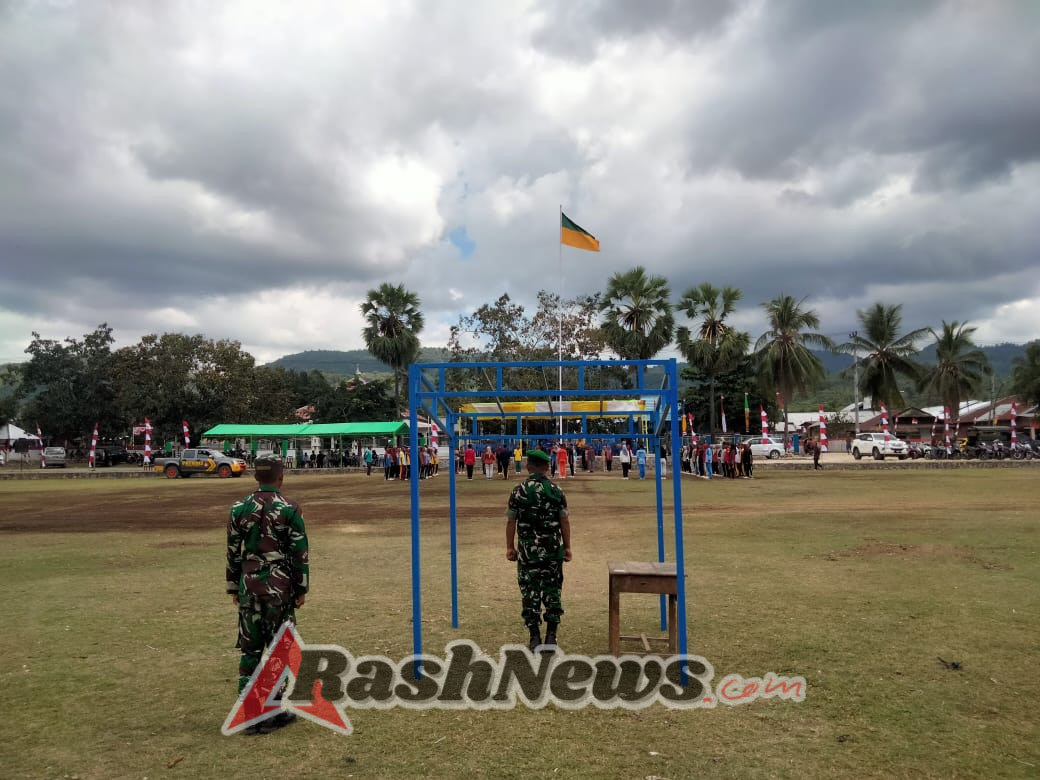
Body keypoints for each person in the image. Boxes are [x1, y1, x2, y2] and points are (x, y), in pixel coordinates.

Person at [226, 455, 308, 734]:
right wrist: (301, 588)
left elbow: (232, 552)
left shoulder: (239, 508)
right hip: (280, 589)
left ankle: (250, 714)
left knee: (250, 651)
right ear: (281, 477)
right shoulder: (290, 508)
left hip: (249, 587)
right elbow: (300, 552)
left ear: (255, 477)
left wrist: (234, 587)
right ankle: (271, 711)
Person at [505, 449, 572, 652]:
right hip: (552, 551)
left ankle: (534, 637)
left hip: (527, 553)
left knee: (530, 592)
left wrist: (510, 547)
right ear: (546, 468)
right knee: (552, 591)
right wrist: (567, 547)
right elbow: (564, 521)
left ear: (528, 467)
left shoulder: (518, 491)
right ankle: (551, 636)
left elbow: (511, 521)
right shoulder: (557, 491)